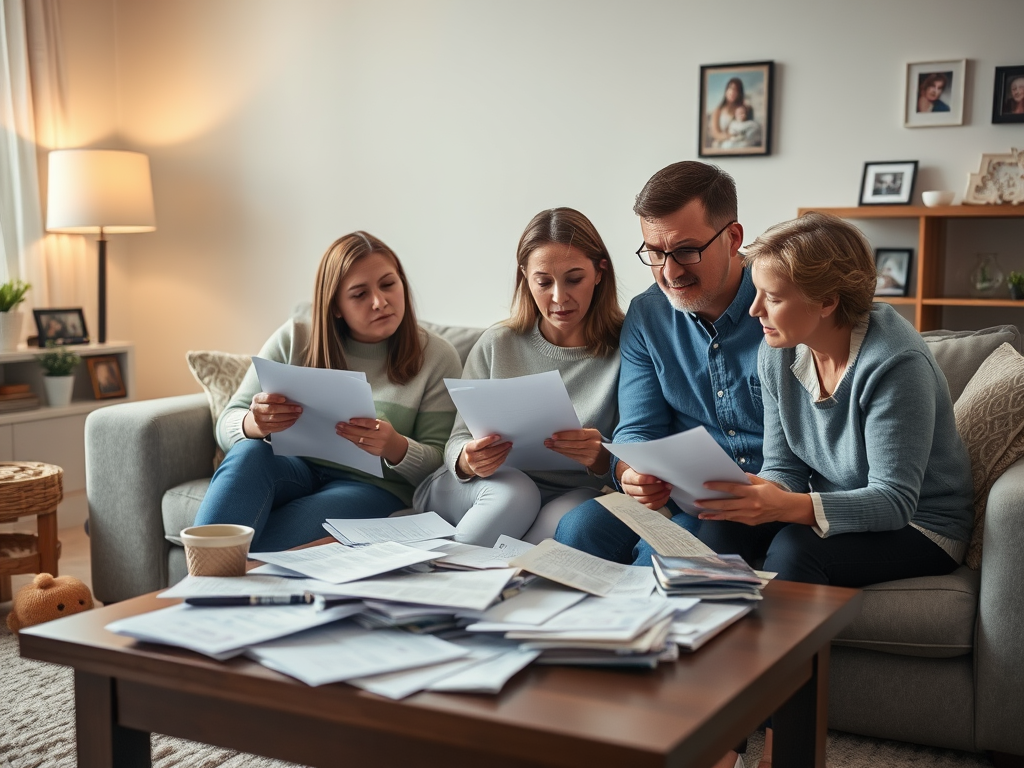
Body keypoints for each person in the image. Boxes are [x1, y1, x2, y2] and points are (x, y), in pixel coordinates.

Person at [695, 211, 972, 585]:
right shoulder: (778, 351)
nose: (754, 309)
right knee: (721, 530)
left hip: (920, 524)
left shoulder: (896, 363)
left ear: (826, 301)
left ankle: (778, 645)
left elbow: (894, 502)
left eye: (772, 297)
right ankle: (705, 637)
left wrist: (787, 506)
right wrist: (759, 492)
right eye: (757, 291)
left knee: (795, 550)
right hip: (839, 506)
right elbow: (785, 467)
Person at [193, 231, 463, 551]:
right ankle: (202, 576)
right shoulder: (294, 338)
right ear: (335, 306)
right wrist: (254, 423)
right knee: (249, 451)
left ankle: (216, 575)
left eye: (388, 284)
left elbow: (441, 465)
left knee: (262, 546)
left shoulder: (436, 356)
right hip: (293, 467)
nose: (380, 301)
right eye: (359, 294)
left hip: (371, 486)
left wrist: (395, 445)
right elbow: (228, 422)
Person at [555, 161, 764, 565]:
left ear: (733, 237)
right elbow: (637, 428)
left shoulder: (780, 305)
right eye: (654, 253)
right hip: (680, 493)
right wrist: (630, 475)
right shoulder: (647, 315)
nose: (668, 272)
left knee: (667, 549)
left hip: (762, 497)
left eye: (687, 250)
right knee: (576, 527)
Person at [413, 208, 624, 546]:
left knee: (569, 519)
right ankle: (443, 580)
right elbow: (456, 442)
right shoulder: (498, 343)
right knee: (517, 494)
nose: (559, 297)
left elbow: (633, 446)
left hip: (572, 490)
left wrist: (600, 455)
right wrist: (469, 458)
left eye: (574, 279)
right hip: (482, 485)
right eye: (544, 282)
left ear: (599, 272)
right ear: (525, 276)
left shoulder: (627, 349)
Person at [709, 77, 751, 147]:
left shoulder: (745, 109)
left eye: (736, 90)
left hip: (740, 144)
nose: (732, 92)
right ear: (726, 90)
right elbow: (715, 133)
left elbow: (746, 129)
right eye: (730, 88)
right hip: (721, 146)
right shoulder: (718, 111)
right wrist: (729, 136)